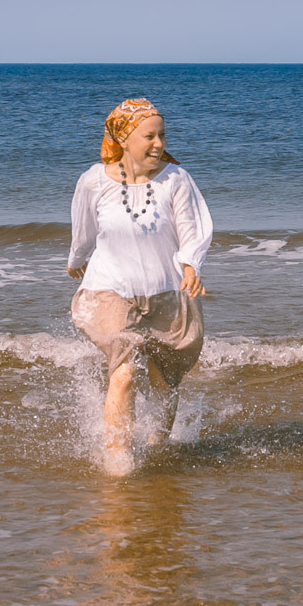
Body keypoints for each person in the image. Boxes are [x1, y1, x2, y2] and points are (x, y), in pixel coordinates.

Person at [67, 98, 213, 473]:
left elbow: (192, 231)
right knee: (125, 371)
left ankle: (157, 448)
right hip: (109, 291)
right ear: (124, 138)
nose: (159, 144)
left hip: (165, 291)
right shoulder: (93, 181)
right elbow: (83, 233)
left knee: (164, 380)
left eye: (162, 135)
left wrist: (190, 265)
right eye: (149, 136)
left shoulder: (175, 180)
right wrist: (75, 261)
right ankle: (119, 463)